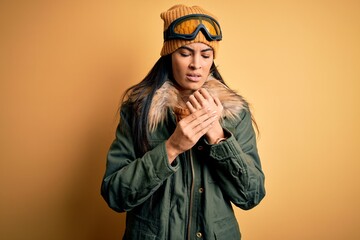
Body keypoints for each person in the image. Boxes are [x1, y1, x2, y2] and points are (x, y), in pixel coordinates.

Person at [101, 4, 265, 240]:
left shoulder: (235, 113)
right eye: (185, 53)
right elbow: (115, 195)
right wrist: (171, 148)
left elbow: (252, 195)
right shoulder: (138, 111)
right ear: (169, 55)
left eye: (206, 55)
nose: (196, 64)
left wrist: (219, 137)